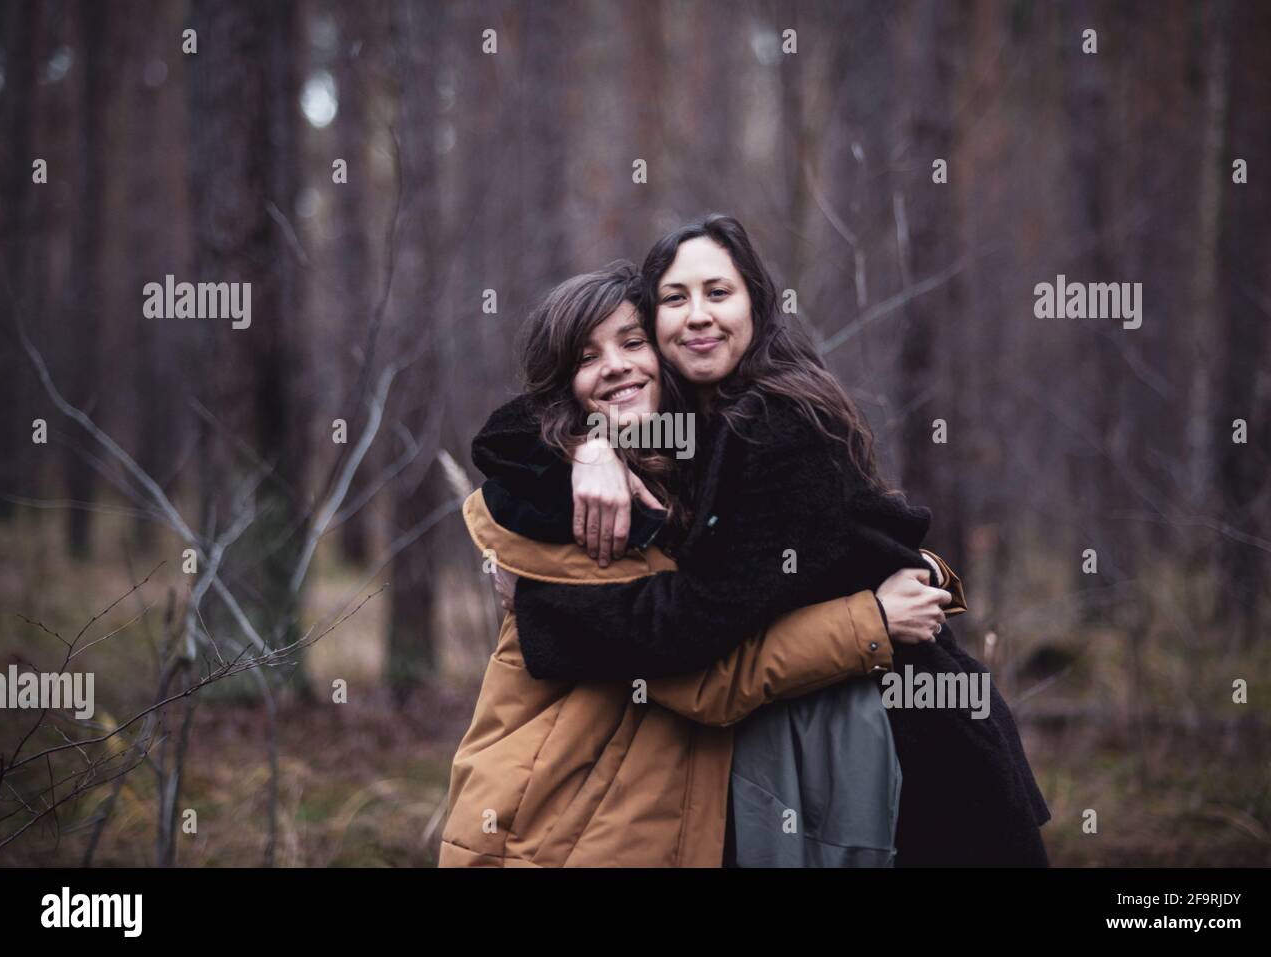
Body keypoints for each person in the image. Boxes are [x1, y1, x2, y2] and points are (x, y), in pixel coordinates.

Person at [496, 216, 1051, 866]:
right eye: (676, 299)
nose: (698, 316)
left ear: (757, 303)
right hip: (829, 742)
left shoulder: (779, 422)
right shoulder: (697, 420)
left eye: (718, 293)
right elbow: (504, 434)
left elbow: (692, 626)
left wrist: (536, 606)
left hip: (916, 748)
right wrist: (592, 447)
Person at [439, 261, 941, 867]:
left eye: (631, 342)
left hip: (625, 819)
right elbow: (705, 675)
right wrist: (872, 623)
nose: (617, 365)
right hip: (550, 829)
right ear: (563, 386)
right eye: (587, 357)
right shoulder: (566, 505)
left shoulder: (689, 474)